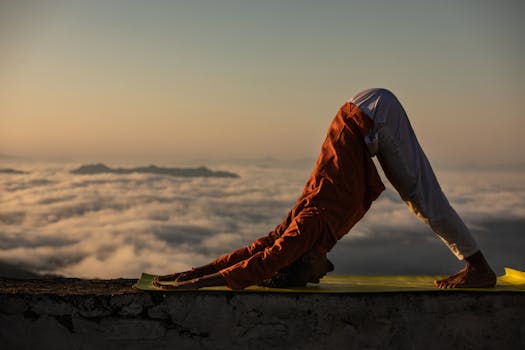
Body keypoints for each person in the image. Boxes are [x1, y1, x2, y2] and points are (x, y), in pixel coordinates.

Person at [154, 88, 497, 290]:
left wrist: (198, 284)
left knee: (421, 197)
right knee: (418, 195)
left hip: (373, 116)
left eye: (309, 278)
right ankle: (475, 264)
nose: (322, 276)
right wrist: (196, 271)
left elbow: (263, 261)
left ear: (302, 259)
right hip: (358, 113)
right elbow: (258, 248)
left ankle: (479, 269)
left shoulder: (309, 227)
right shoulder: (304, 226)